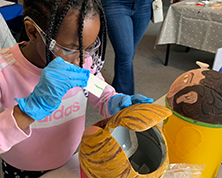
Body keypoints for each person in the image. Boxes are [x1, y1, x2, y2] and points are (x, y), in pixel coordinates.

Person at [0, 0, 154, 177]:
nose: (80, 59)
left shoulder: (82, 60)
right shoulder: (4, 70)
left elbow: (98, 89)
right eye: (69, 49)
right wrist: (28, 111)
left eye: (89, 48)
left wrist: (113, 100)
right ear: (32, 32)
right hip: (23, 168)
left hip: (72, 157)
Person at [101, 0, 154, 95]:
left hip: (144, 4)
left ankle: (117, 88)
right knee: (125, 54)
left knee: (128, 53)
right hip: (115, 3)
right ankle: (124, 100)